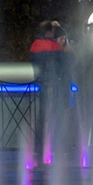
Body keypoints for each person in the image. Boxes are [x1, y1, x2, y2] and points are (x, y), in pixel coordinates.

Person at [30, 20, 70, 157]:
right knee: (55, 115)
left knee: (42, 116)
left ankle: (39, 147)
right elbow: (63, 66)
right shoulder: (53, 46)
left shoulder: (35, 45)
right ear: (50, 32)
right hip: (54, 85)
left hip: (41, 84)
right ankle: (56, 145)